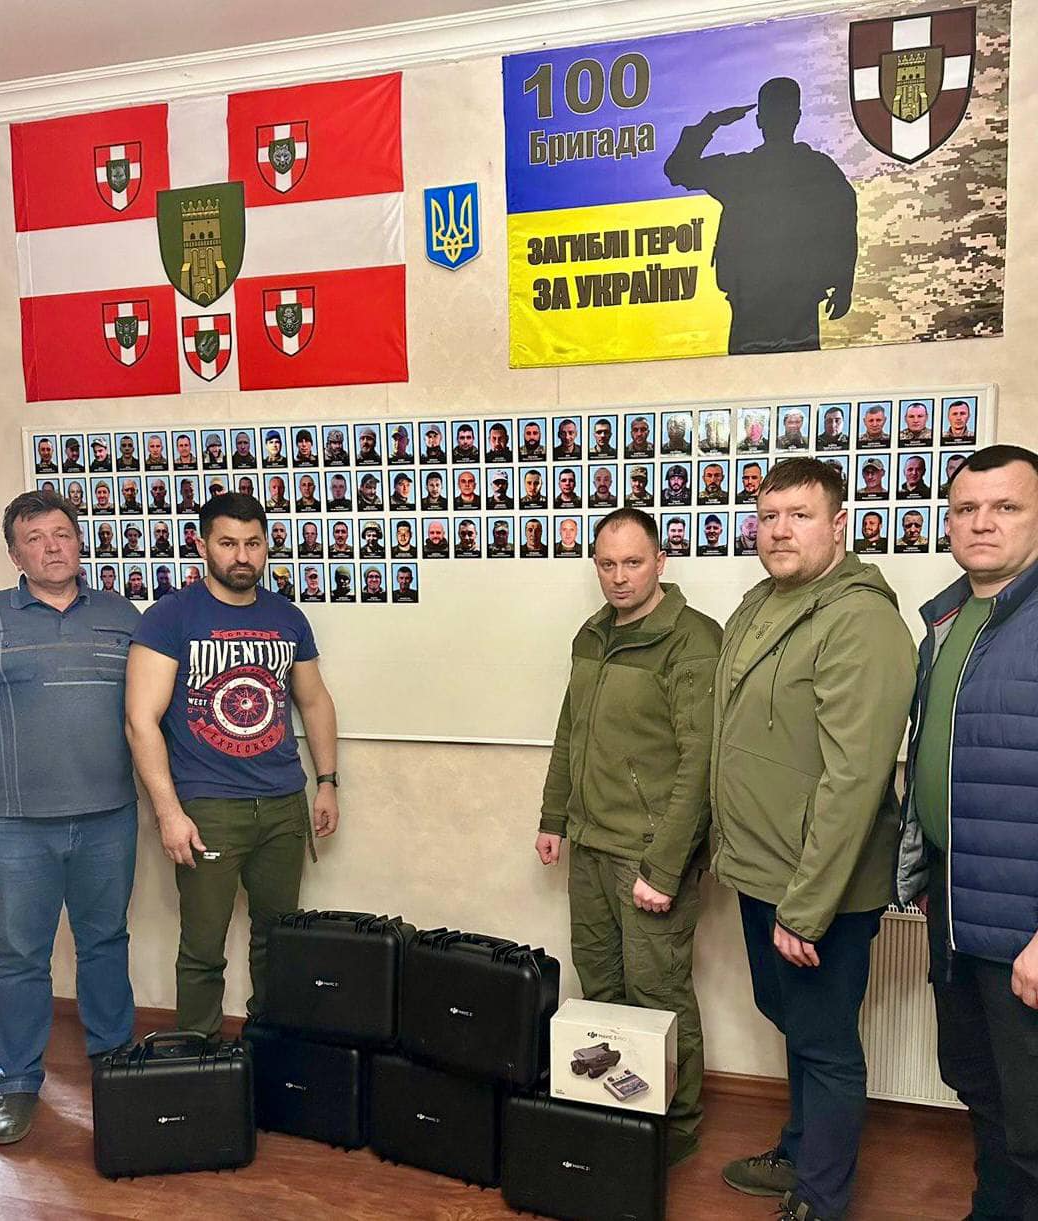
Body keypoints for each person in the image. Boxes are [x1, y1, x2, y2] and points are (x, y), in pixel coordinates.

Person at [712, 458, 915, 1221]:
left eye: (799, 515)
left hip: (819, 886)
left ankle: (822, 1200)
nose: (779, 530)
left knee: (826, 1042)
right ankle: (798, 1151)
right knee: (790, 1016)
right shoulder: (761, 604)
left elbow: (854, 779)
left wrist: (806, 906)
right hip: (762, 869)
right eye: (769, 516)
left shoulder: (860, 619)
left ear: (838, 525)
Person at [538, 507, 721, 1165]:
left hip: (647, 854)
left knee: (658, 992)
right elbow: (571, 731)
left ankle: (678, 1124)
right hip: (590, 844)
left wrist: (664, 868)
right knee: (600, 985)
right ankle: (620, 1114)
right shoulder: (591, 634)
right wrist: (553, 817)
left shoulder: (692, 639)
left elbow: (700, 763)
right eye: (607, 564)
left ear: (660, 562)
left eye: (633, 562)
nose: (619, 577)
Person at [125, 493, 340, 1037]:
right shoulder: (170, 617)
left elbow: (315, 701)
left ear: (267, 546)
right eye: (227, 543)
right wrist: (168, 812)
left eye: (253, 543)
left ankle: (270, 1048)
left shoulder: (287, 617)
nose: (242, 556)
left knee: (278, 939)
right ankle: (199, 1057)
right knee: (203, 948)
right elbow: (140, 721)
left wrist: (328, 783)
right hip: (208, 807)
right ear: (202, 546)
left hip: (283, 803)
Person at [895, 446, 1038, 1220]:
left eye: (1006, 506)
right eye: (966, 509)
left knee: (1033, 1116)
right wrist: (926, 875)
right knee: (980, 1086)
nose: (982, 522)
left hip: (1023, 921)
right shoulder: (946, 623)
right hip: (955, 902)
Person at [0, 492, 140, 1146]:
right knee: (18, 955)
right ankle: (17, 1080)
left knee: (105, 940)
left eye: (62, 533)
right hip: (16, 824)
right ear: (15, 554)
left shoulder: (122, 615)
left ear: (80, 541)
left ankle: (114, 1062)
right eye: (35, 537)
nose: (52, 546)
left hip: (110, 816)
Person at [664, 76, 856, 355]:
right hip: (771, 303)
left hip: (774, 303)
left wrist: (711, 124)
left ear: (759, 120)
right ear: (796, 117)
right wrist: (843, 284)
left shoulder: (742, 171)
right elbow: (845, 226)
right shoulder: (817, 168)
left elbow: (678, 169)